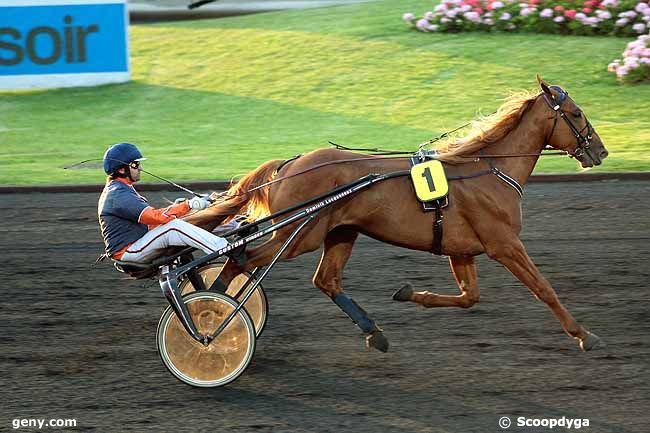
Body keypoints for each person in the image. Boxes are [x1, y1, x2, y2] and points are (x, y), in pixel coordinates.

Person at [97, 142, 233, 265]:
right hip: (128, 251)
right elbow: (155, 217)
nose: (140, 168)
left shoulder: (122, 187)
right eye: (135, 164)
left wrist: (179, 208)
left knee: (187, 218)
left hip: (139, 241)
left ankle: (235, 226)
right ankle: (225, 249)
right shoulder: (117, 194)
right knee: (173, 227)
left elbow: (150, 220)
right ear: (121, 170)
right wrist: (189, 205)